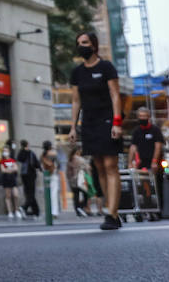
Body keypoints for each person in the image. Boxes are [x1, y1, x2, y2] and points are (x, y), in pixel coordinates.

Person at [67, 31, 124, 230]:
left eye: (85, 42)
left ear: (94, 45)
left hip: (107, 119)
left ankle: (113, 213)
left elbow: (115, 95)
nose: (81, 45)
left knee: (110, 164)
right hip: (89, 121)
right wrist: (73, 126)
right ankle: (111, 210)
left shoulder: (106, 67)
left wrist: (117, 122)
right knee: (99, 165)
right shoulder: (77, 72)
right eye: (78, 42)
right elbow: (76, 101)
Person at [130, 108, 163, 220]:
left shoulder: (155, 130)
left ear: (148, 116)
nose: (142, 118)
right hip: (142, 164)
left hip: (153, 163)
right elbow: (133, 147)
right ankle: (146, 209)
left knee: (157, 186)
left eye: (144, 116)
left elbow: (158, 146)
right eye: (140, 116)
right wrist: (130, 162)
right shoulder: (136, 131)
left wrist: (154, 161)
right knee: (143, 187)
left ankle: (159, 210)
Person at [16, 139, 40, 217]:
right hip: (30, 175)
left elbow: (19, 159)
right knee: (31, 193)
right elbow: (36, 164)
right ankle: (24, 208)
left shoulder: (21, 152)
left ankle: (36, 211)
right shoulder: (30, 153)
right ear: (27, 144)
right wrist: (40, 168)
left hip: (24, 175)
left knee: (28, 193)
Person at [0, 146, 22, 219]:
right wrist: (11, 169)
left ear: (9, 152)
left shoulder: (12, 160)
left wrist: (8, 169)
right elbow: (3, 170)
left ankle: (16, 210)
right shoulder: (2, 161)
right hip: (6, 179)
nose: (5, 152)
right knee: (8, 196)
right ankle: (10, 211)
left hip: (13, 179)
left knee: (16, 195)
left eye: (6, 151)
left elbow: (16, 168)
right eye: (4, 151)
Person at [40, 142, 59, 218]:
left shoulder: (42, 155)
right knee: (54, 194)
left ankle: (49, 211)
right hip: (53, 174)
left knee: (48, 194)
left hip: (46, 174)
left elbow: (41, 166)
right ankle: (54, 212)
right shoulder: (53, 153)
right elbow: (57, 164)